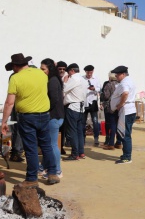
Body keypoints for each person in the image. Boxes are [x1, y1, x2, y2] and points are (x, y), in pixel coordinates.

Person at [1, 53, 59, 187]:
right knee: (46, 145)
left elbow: (10, 103)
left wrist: (4, 122)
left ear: (15, 66)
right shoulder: (41, 74)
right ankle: (52, 173)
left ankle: (32, 179)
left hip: (27, 116)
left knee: (31, 148)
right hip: (44, 114)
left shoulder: (15, 78)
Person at [39, 58, 65, 179]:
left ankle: (57, 170)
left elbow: (54, 99)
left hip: (53, 116)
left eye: (43, 69)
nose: (41, 71)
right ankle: (43, 167)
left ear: (49, 68)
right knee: (48, 144)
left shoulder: (53, 81)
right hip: (55, 116)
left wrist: (46, 110)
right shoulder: (52, 79)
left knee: (52, 144)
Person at [110, 66, 136, 164]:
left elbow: (125, 93)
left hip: (126, 110)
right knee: (126, 133)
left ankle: (127, 157)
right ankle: (126, 154)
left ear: (123, 74)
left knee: (125, 134)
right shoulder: (130, 80)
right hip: (130, 109)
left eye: (117, 75)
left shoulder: (125, 82)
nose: (116, 77)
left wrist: (120, 105)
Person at [63, 63, 88, 161]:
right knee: (79, 132)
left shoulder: (73, 78)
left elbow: (64, 89)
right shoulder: (83, 79)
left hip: (73, 106)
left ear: (72, 70)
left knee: (72, 131)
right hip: (81, 107)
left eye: (68, 71)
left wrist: (65, 82)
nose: (68, 74)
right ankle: (80, 152)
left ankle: (75, 153)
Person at [82, 65, 101, 146]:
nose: (89, 74)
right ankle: (82, 138)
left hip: (93, 102)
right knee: (83, 122)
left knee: (95, 121)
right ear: (85, 72)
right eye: (88, 72)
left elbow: (100, 88)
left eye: (91, 72)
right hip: (84, 102)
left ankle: (96, 138)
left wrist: (94, 89)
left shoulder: (96, 79)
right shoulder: (82, 78)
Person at [101, 72, 119, 150]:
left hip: (110, 106)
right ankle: (119, 142)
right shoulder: (120, 84)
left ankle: (111, 143)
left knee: (112, 124)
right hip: (119, 106)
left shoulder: (108, 85)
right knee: (118, 124)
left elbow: (106, 96)